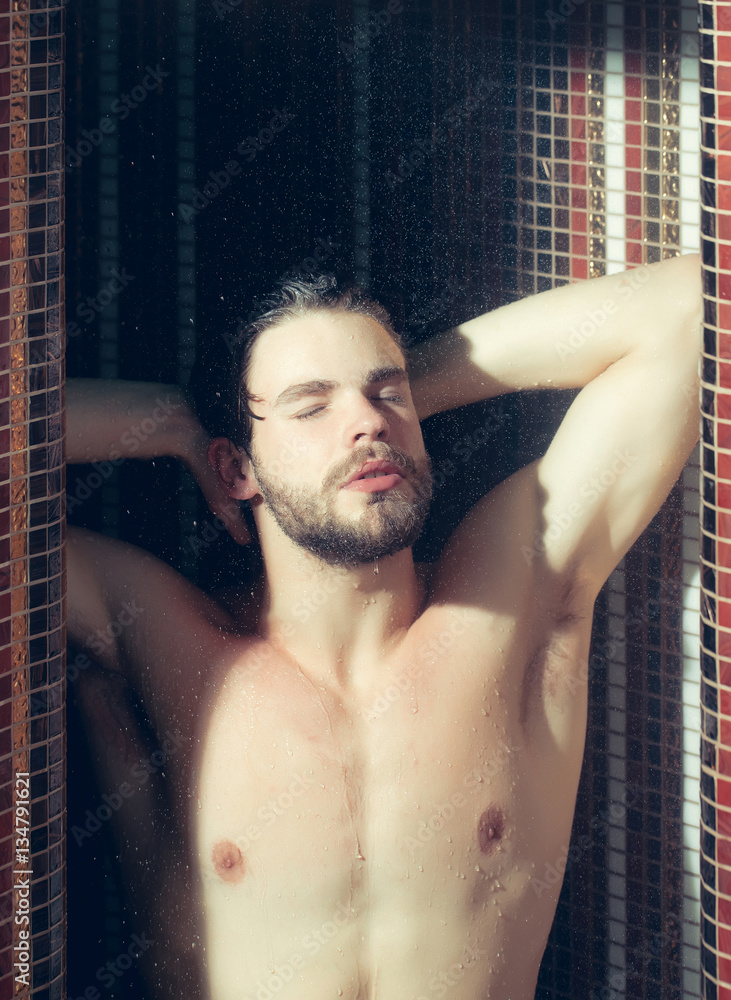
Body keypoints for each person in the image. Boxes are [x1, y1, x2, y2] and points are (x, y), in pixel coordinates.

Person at [65, 254, 701, 1000]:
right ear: (236, 468)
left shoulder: (509, 601)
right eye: (310, 408)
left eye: (384, 394)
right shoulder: (164, 640)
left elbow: (691, 307)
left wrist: (400, 392)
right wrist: (176, 424)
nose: (366, 421)